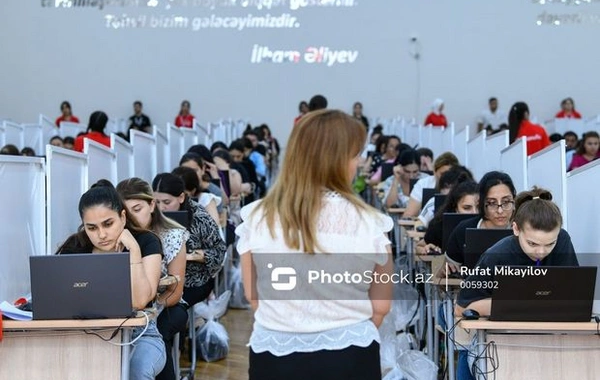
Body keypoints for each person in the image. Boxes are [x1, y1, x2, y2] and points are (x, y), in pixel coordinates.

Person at [236, 109, 393, 380]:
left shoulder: (257, 217)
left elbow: (253, 295)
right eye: (355, 156)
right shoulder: (370, 223)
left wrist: (288, 323)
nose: (359, 163)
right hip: (351, 354)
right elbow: (381, 306)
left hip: (274, 353)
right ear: (338, 161)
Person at [56, 182, 166, 380]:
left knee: (135, 371)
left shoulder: (146, 242)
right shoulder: (76, 247)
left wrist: (133, 251)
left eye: (108, 224)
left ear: (122, 217)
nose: (102, 235)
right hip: (87, 335)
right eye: (92, 228)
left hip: (139, 335)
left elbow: (141, 300)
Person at [455, 187, 578, 317]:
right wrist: (522, 305)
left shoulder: (562, 240)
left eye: (550, 244)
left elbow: (575, 296)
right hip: (504, 333)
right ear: (516, 229)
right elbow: (460, 308)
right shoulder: (495, 255)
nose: (541, 252)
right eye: (532, 243)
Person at [116, 178, 188, 380]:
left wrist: (150, 306)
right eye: (126, 213)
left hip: (167, 304)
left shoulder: (173, 235)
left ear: (152, 205)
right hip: (132, 307)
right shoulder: (122, 237)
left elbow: (175, 291)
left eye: (137, 209)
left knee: (159, 332)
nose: (133, 217)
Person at [152, 173, 227, 307]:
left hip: (195, 280)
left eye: (167, 202)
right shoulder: (152, 215)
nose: (161, 208)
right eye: (157, 202)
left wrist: (195, 256)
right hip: (161, 280)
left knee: (173, 308)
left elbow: (219, 251)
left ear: (181, 197)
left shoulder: (199, 216)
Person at [444, 171, 517, 274]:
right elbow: (445, 277)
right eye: (492, 203)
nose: (500, 211)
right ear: (481, 203)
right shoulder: (463, 230)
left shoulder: (523, 230)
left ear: (514, 202)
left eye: (506, 202)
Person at [416, 179, 478, 255]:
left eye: (479, 207)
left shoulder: (492, 222)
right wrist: (427, 249)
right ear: (455, 207)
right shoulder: (440, 224)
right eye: (466, 208)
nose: (475, 212)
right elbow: (419, 246)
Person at [403, 152, 459, 217]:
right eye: (443, 174)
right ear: (434, 171)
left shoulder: (462, 185)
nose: (446, 177)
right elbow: (409, 215)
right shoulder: (423, 184)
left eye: (450, 174)